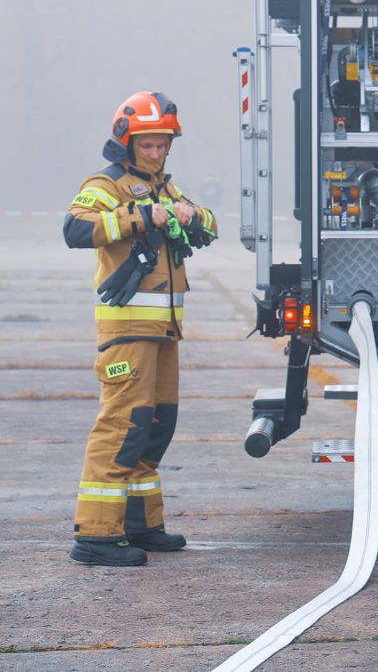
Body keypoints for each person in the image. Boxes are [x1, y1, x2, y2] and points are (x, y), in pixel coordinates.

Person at [64, 92, 217, 566]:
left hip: (164, 333)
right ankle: (95, 535)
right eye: (147, 145)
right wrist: (138, 217)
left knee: (155, 427)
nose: (155, 153)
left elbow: (210, 225)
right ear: (127, 143)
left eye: (162, 145)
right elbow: (73, 228)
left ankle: (141, 525)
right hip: (127, 333)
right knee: (122, 427)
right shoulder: (107, 184)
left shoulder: (167, 189)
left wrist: (191, 216)